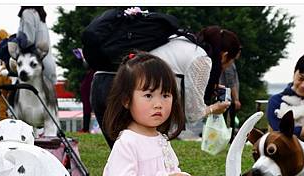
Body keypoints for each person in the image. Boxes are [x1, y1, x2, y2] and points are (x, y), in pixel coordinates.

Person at [92, 24, 240, 148]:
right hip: (126, 92)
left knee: (124, 155)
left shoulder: (179, 41)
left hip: (102, 82)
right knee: (141, 158)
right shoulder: (201, 59)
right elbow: (193, 113)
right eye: (231, 62)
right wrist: (215, 108)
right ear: (224, 55)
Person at [17, 7, 57, 85]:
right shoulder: (39, 14)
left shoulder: (27, 13)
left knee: (13, 94)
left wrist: (14, 41)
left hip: (35, 70)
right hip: (48, 68)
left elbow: (28, 41)